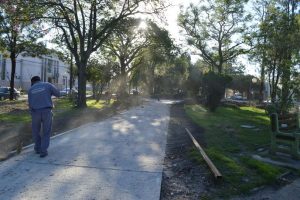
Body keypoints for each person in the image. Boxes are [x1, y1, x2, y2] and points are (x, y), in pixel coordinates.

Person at [28, 76, 60, 158]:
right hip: (47, 111)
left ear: (32, 82)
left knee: (36, 131)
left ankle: (37, 148)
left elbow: (30, 104)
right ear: (39, 80)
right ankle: (43, 151)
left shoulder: (31, 90)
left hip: (35, 113)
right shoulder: (47, 85)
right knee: (46, 132)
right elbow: (58, 94)